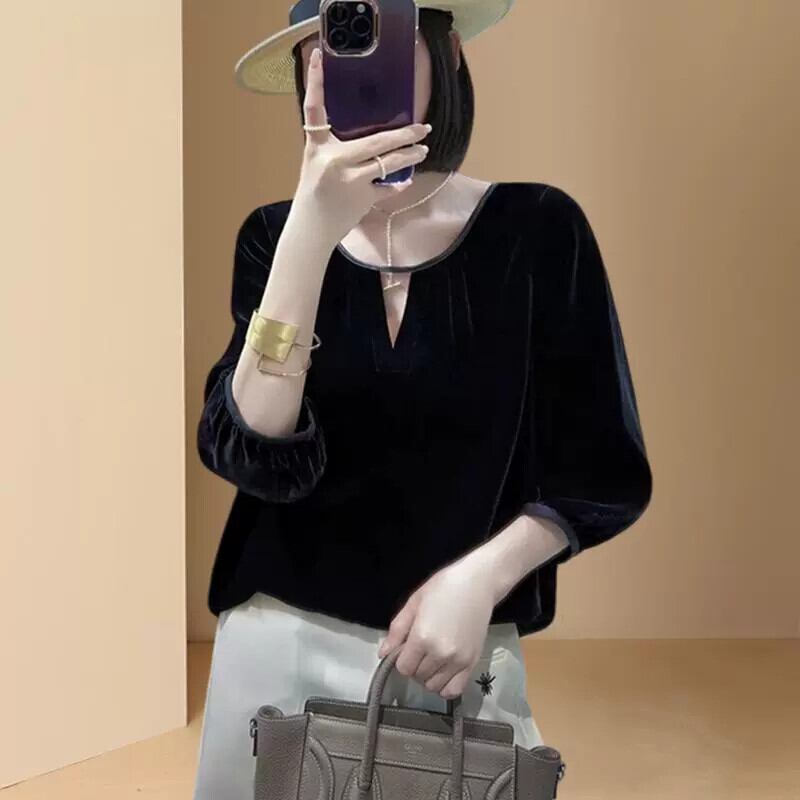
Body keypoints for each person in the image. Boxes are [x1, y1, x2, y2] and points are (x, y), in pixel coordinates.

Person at [193, 1, 653, 797]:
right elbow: (257, 455)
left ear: (445, 53)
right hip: (276, 652)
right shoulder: (274, 236)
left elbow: (603, 471)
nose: (353, 66)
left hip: (459, 658)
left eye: (380, 35)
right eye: (330, 46)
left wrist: (479, 581)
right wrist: (311, 231)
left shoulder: (541, 230)